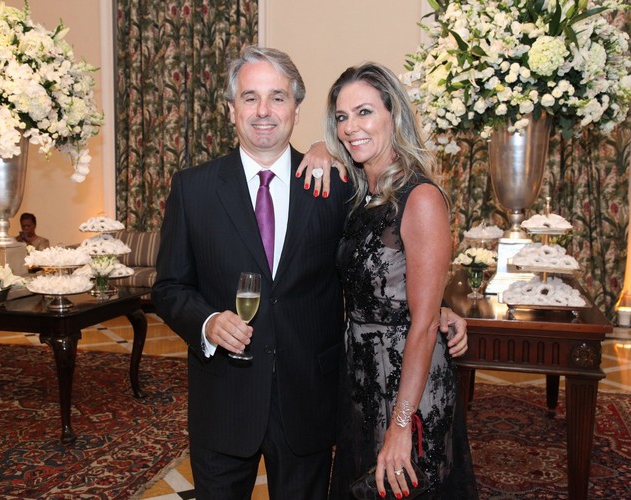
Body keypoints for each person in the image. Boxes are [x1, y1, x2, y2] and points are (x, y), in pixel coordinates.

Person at [151, 46, 468, 499]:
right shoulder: (192, 189)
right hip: (223, 405)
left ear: (296, 110)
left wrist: (438, 309)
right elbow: (168, 287)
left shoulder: (337, 185)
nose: (264, 111)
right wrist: (206, 321)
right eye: (250, 98)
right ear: (230, 109)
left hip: (309, 403)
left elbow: (387, 261)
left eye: (278, 97)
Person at [322, 62, 479, 499]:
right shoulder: (361, 196)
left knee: (403, 484)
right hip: (362, 378)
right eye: (341, 116)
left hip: (407, 386)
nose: (350, 127)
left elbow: (423, 324)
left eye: (365, 112)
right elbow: (389, 285)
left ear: (395, 115)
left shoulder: (420, 197)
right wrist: (319, 148)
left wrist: (402, 423)